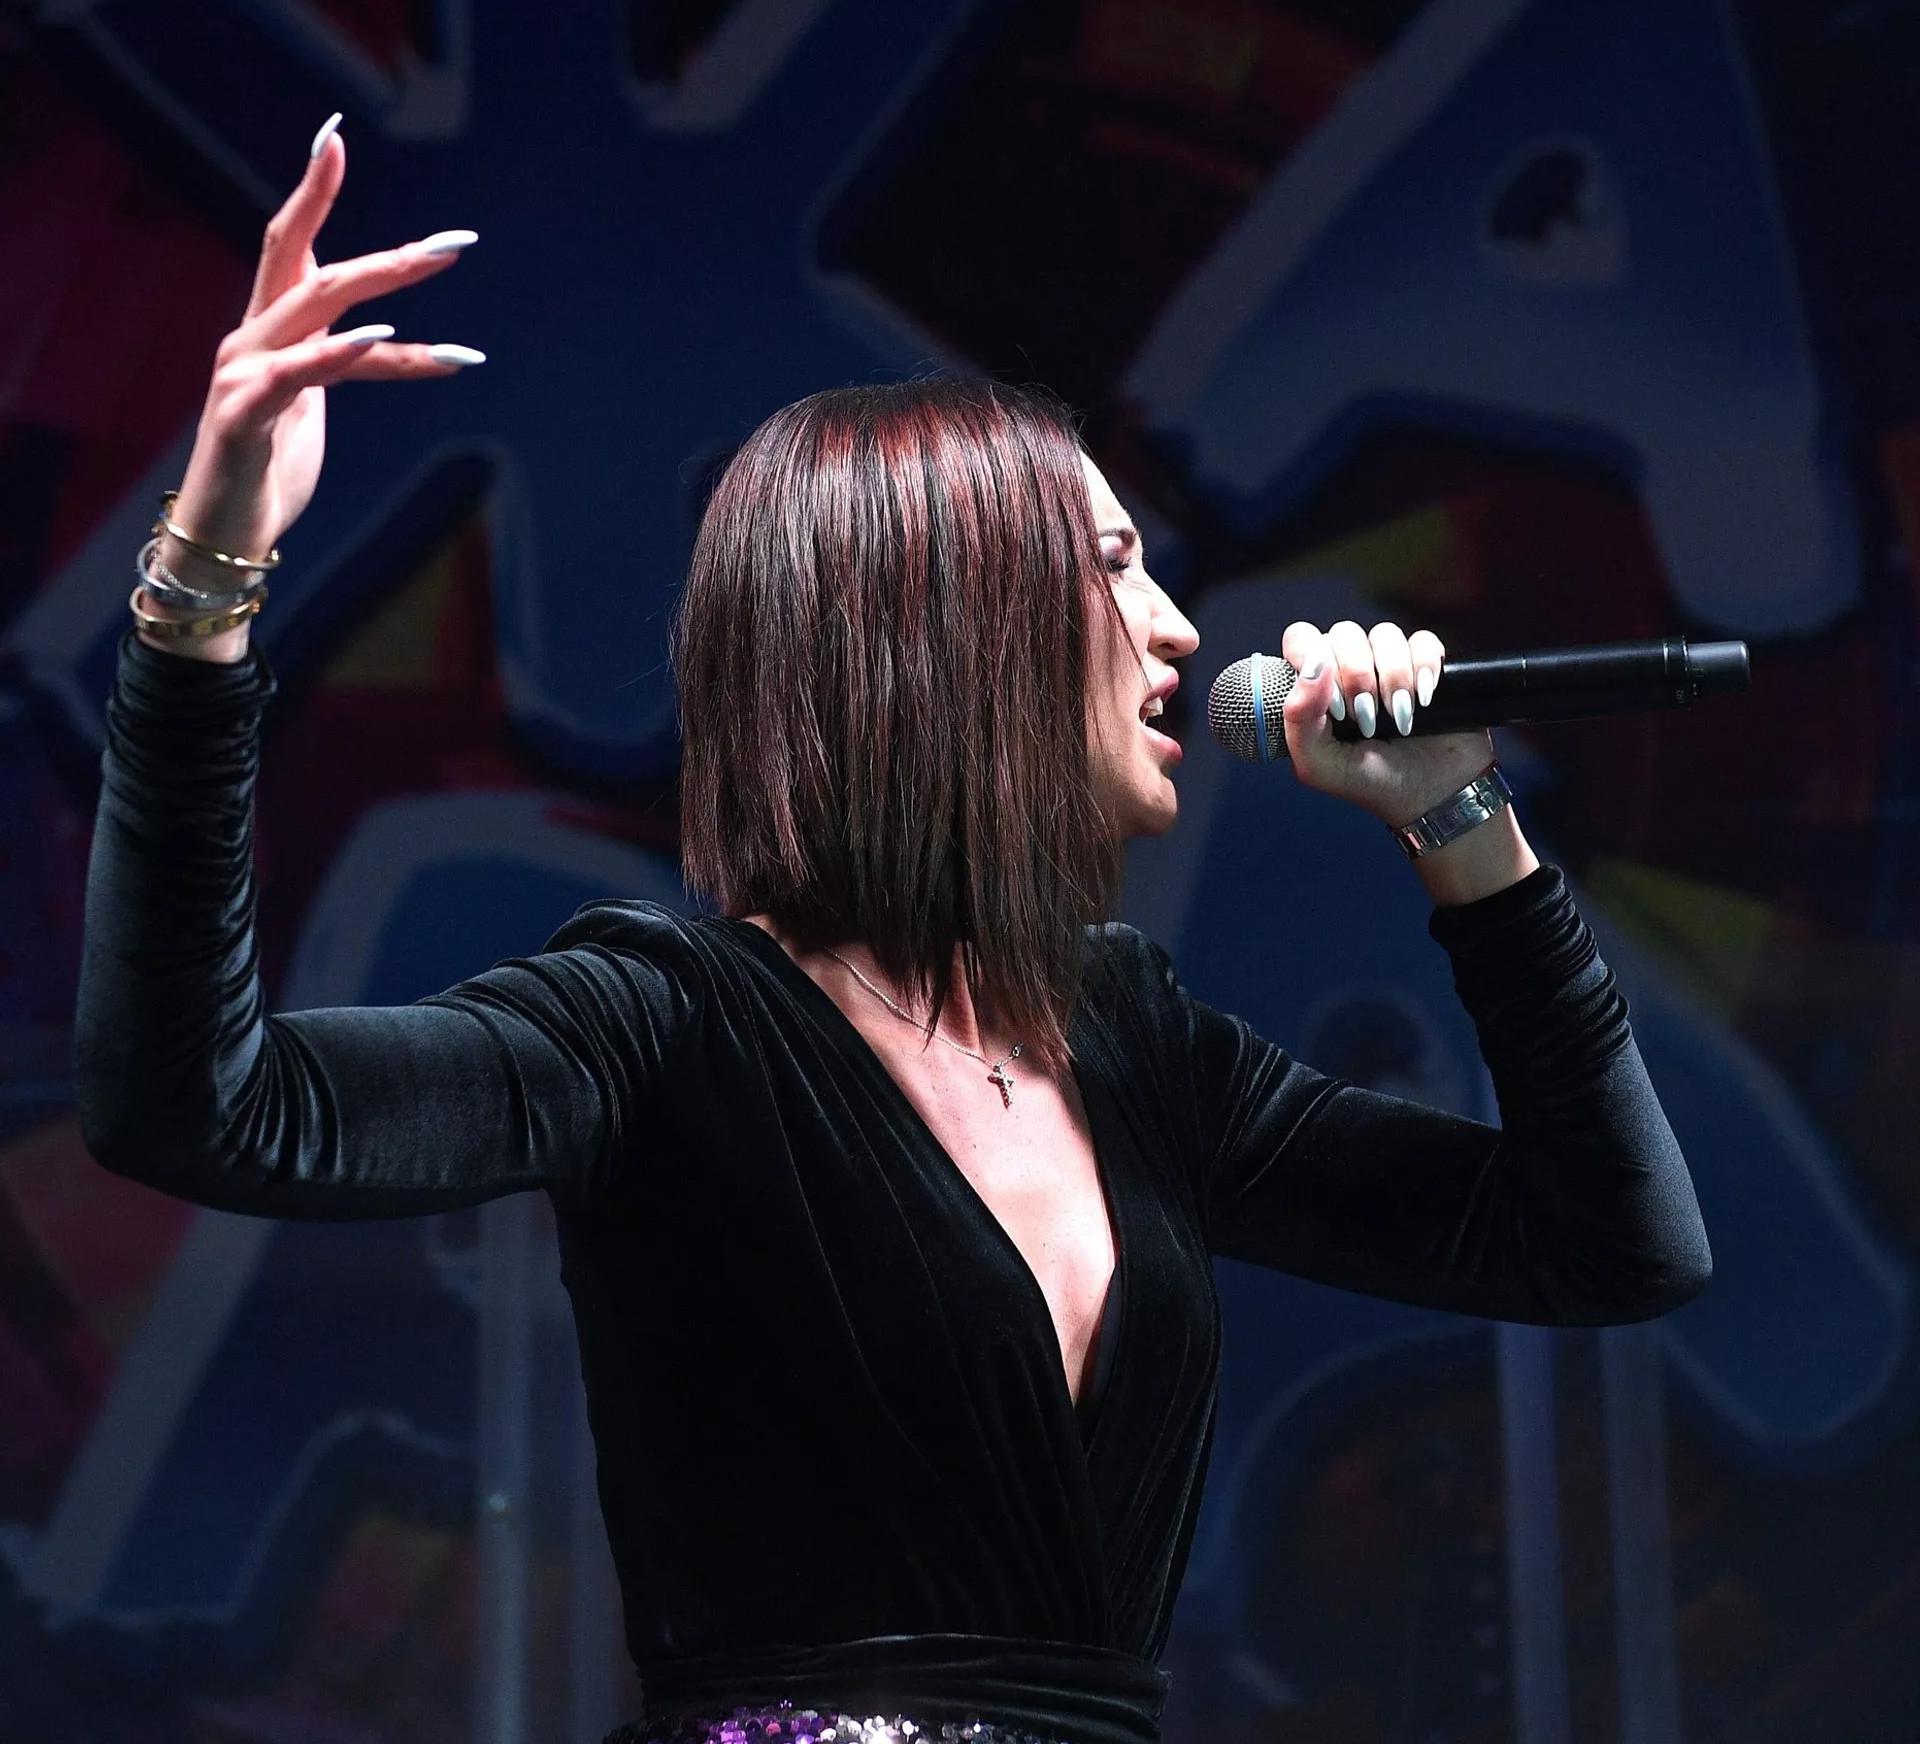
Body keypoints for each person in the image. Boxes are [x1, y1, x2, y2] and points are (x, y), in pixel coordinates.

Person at [76, 126, 1710, 1744]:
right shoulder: (667, 1024)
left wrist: (1458, 817)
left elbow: (1613, 1242)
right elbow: (203, 1100)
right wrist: (204, 584)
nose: (1177, 629)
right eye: (1117, 565)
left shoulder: (1132, 1037)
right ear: (952, 621)